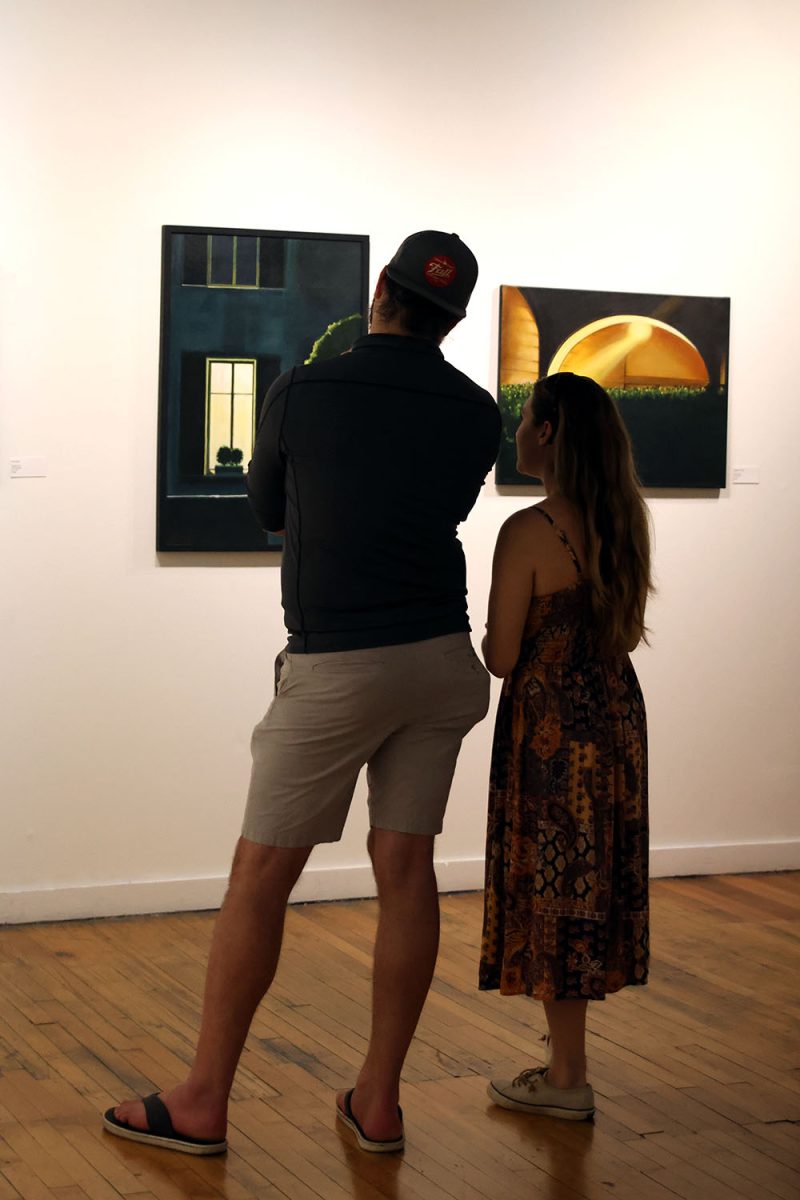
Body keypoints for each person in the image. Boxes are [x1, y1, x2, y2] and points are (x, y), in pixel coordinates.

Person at [103, 232, 501, 1155]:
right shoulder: (477, 411)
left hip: (339, 665)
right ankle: (380, 1101)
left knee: (262, 874)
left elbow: (271, 511)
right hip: (441, 658)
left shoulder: (304, 389)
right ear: (452, 316)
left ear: (379, 293)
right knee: (406, 871)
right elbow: (439, 508)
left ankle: (202, 1100)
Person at [479, 372, 652, 1120]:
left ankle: (567, 1080)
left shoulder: (528, 531)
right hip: (614, 723)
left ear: (547, 432)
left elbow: (504, 656)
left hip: (550, 734)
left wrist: (481, 626)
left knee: (552, 891)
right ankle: (566, 1068)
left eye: (523, 418)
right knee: (587, 888)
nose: (515, 431)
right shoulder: (622, 522)